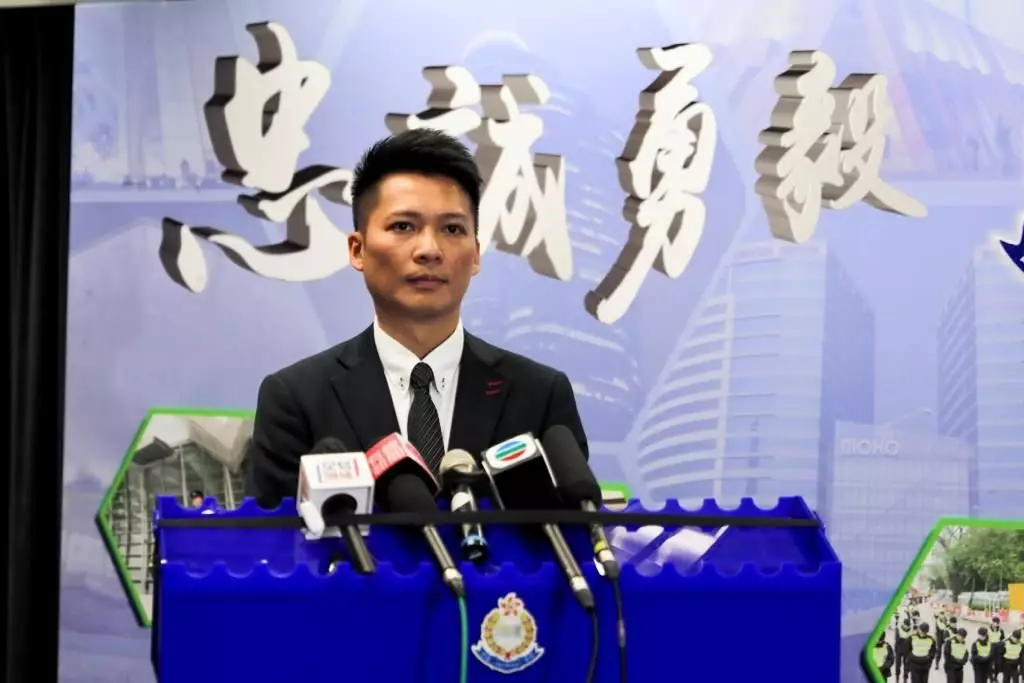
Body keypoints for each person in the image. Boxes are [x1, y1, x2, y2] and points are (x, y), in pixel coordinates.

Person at [245, 129, 589, 508]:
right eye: (403, 226)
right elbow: (276, 541)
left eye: (452, 229)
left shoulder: (539, 395)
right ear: (358, 249)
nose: (429, 249)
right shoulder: (297, 399)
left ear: (475, 254)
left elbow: (571, 531)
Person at [896, 618, 914, 683]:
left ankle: (905, 679)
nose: (907, 627)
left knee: (906, 665)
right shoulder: (898, 629)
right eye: (906, 625)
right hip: (899, 650)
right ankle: (897, 677)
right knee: (898, 665)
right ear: (903, 624)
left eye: (908, 626)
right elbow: (896, 640)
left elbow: (912, 642)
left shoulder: (911, 631)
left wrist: (911, 651)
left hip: (907, 651)